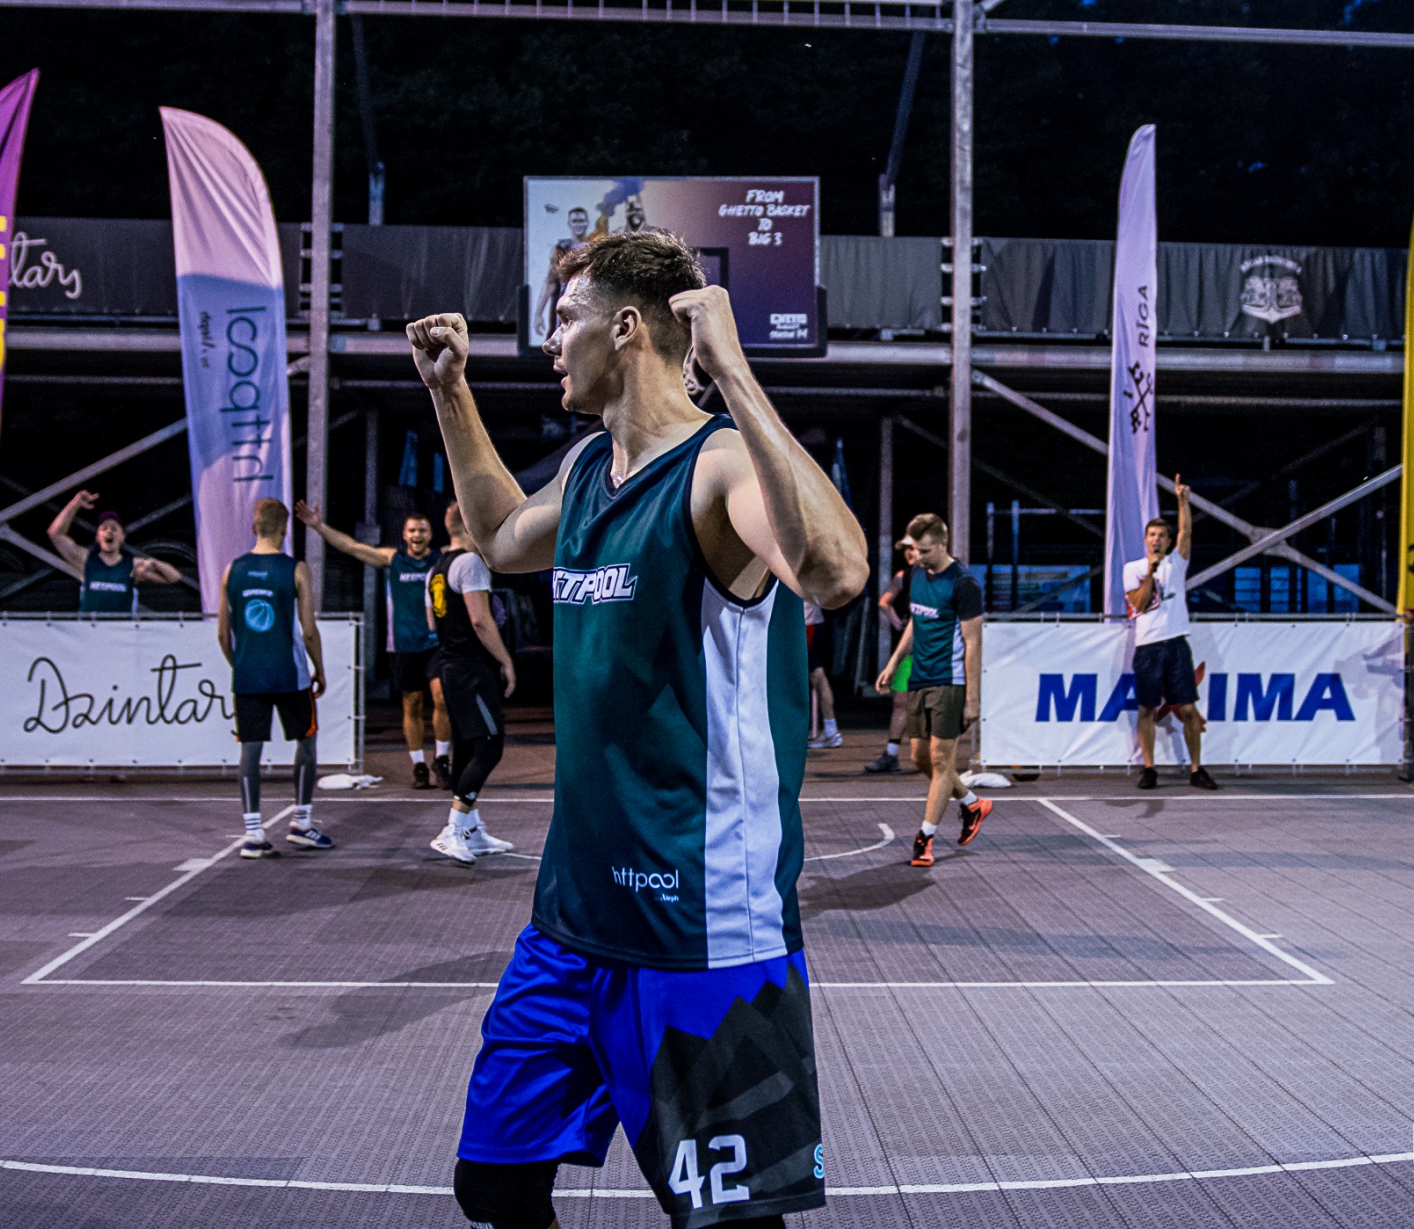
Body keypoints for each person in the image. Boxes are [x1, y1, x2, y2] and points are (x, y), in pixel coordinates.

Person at [408, 227, 866, 1229]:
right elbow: (499, 536)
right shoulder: (586, 473)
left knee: (733, 1224)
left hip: (701, 927)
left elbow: (835, 573)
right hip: (572, 919)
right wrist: (449, 392)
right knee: (495, 1183)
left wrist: (733, 372)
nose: (550, 342)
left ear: (626, 329)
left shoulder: (717, 469)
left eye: (565, 318)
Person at [295, 503, 453, 789]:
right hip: (403, 644)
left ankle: (441, 760)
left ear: (430, 535)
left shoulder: (441, 559)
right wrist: (318, 526)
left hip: (436, 642)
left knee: (441, 697)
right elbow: (352, 547)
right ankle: (418, 765)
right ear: (404, 535)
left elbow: (475, 547)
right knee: (412, 703)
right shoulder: (393, 559)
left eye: (422, 531)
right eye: (412, 530)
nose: (417, 535)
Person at [215, 498, 333, 859]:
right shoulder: (297, 569)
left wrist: (240, 665)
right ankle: (301, 823)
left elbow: (222, 635)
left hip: (248, 675)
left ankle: (253, 834)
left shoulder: (232, 570)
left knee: (250, 750)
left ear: (254, 527)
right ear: (285, 529)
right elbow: (308, 630)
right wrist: (319, 668)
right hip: (290, 674)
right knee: (307, 743)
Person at [874, 514, 992, 867]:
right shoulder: (916, 575)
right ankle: (971, 803)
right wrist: (894, 662)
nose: (918, 557)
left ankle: (924, 839)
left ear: (942, 544)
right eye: (915, 550)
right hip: (919, 678)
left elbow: (973, 644)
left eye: (924, 551)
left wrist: (973, 698)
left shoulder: (964, 584)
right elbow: (916, 620)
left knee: (942, 762)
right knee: (919, 759)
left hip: (949, 680)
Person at [426, 502, 520, 864]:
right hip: (470, 669)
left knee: (466, 749)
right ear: (473, 523)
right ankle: (452, 830)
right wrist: (506, 660)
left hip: (449, 664)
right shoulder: (470, 563)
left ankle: (471, 829)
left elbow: (432, 623)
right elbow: (480, 621)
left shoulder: (436, 569)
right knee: (490, 746)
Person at [1123, 476, 1217, 793]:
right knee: (1147, 709)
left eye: (1162, 535)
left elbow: (1186, 533)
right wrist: (1150, 571)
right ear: (1145, 539)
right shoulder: (1133, 568)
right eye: (1152, 535)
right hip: (1148, 647)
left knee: (1188, 709)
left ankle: (1196, 769)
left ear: (1167, 540)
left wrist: (1182, 501)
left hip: (1176, 644)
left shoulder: (1176, 563)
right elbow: (1138, 603)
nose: (1157, 539)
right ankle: (1149, 768)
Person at [46, 490, 182, 614]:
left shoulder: (132, 565)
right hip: (90, 630)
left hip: (121, 631)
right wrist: (75, 503)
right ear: (97, 537)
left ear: (122, 537)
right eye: (104, 528)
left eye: (114, 529)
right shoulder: (86, 560)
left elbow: (174, 577)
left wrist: (154, 563)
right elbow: (55, 534)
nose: (109, 531)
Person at [865, 535, 918, 773]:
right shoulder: (904, 576)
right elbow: (884, 602)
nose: (909, 553)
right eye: (906, 549)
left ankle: (933, 756)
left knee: (930, 705)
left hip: (936, 651)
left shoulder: (940, 577)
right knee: (900, 701)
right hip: (910, 650)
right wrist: (896, 621)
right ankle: (891, 754)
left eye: (913, 548)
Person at [805, 598, 841, 748]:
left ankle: (831, 730)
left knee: (815, 672)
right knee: (816, 672)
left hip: (807, 621)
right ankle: (831, 730)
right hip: (806, 620)